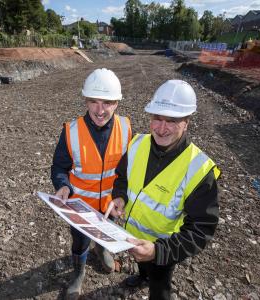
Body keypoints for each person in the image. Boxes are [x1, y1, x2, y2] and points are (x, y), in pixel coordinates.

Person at [110, 80, 220, 300]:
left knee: (159, 288)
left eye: (172, 121)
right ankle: (142, 277)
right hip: (132, 236)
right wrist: (120, 197)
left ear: (187, 122)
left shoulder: (199, 169)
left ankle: (152, 281)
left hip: (164, 249)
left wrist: (158, 252)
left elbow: (201, 229)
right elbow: (122, 177)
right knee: (142, 266)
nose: (161, 129)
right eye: (157, 119)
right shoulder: (137, 143)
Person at [51, 68, 132, 299]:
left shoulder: (126, 129)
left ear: (116, 102)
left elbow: (126, 171)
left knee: (105, 234)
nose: (100, 110)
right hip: (80, 206)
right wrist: (62, 185)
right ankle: (78, 274)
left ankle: (102, 248)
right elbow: (59, 167)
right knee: (79, 241)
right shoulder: (71, 131)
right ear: (85, 100)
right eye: (93, 101)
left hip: (110, 205)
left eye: (107, 102)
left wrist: (121, 195)